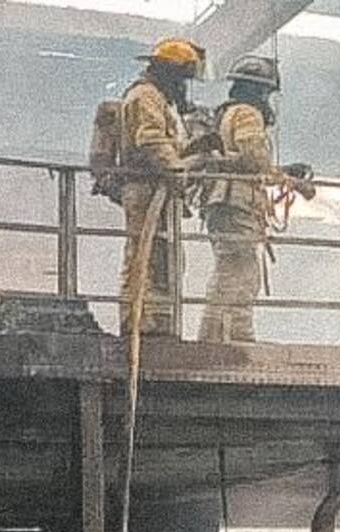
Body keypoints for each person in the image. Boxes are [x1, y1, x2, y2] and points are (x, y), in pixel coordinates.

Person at [89, 37, 208, 338]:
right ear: (168, 73)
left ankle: (159, 322)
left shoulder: (155, 99)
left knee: (162, 257)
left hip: (157, 189)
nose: (183, 87)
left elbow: (164, 143)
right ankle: (139, 323)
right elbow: (151, 141)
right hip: (145, 189)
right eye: (181, 79)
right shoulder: (145, 97)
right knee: (143, 255)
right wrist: (178, 171)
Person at [197, 55, 312, 343]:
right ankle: (232, 338)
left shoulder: (228, 113)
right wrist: (292, 181)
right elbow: (253, 160)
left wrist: (284, 172)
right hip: (237, 203)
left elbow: (241, 160)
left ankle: (221, 335)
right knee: (240, 272)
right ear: (259, 91)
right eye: (267, 93)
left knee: (232, 270)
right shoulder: (248, 114)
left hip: (225, 202)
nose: (268, 100)